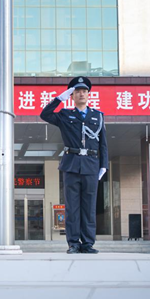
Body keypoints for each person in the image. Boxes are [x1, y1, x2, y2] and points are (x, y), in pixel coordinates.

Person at [40, 76, 108, 254]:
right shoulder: (65, 114)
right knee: (72, 207)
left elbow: (103, 143)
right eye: (77, 91)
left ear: (88, 94)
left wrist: (104, 165)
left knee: (89, 206)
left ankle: (87, 243)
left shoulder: (98, 116)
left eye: (84, 91)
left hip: (92, 166)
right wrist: (60, 99)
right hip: (71, 165)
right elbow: (44, 114)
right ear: (72, 95)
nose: (81, 94)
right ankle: (73, 243)